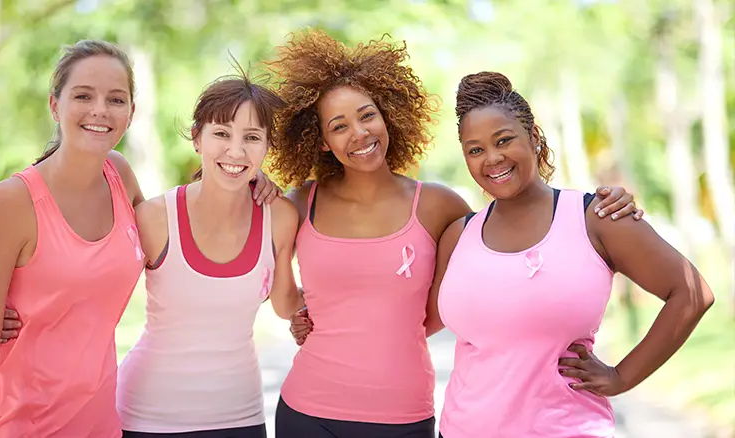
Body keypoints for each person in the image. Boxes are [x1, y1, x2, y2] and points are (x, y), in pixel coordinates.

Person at [265, 29, 642, 438]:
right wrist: (305, 315)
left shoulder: (440, 208)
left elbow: (512, 234)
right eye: (339, 126)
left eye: (367, 115)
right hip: (306, 410)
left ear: (387, 114)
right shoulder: (301, 202)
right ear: (320, 141)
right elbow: (276, 279)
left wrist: (607, 204)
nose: (359, 133)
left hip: (402, 416)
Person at [0, 40, 279, 438]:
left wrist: (245, 177)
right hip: (21, 425)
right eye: (83, 95)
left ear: (130, 113)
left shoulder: (119, 177)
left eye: (116, 99)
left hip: (103, 424)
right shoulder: (10, 202)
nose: (100, 110)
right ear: (55, 105)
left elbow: (182, 227)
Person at [433, 72, 715, 437]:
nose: (492, 158)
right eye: (475, 149)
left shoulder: (596, 218)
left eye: (504, 140)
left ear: (533, 137)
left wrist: (621, 377)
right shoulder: (459, 234)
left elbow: (691, 293)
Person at [116, 70, 303, 438]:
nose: (236, 151)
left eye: (252, 138)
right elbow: (99, 297)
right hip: (147, 417)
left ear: (267, 147)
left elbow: (286, 305)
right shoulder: (155, 218)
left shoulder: (279, 217)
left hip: (240, 417)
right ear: (197, 138)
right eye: (221, 133)